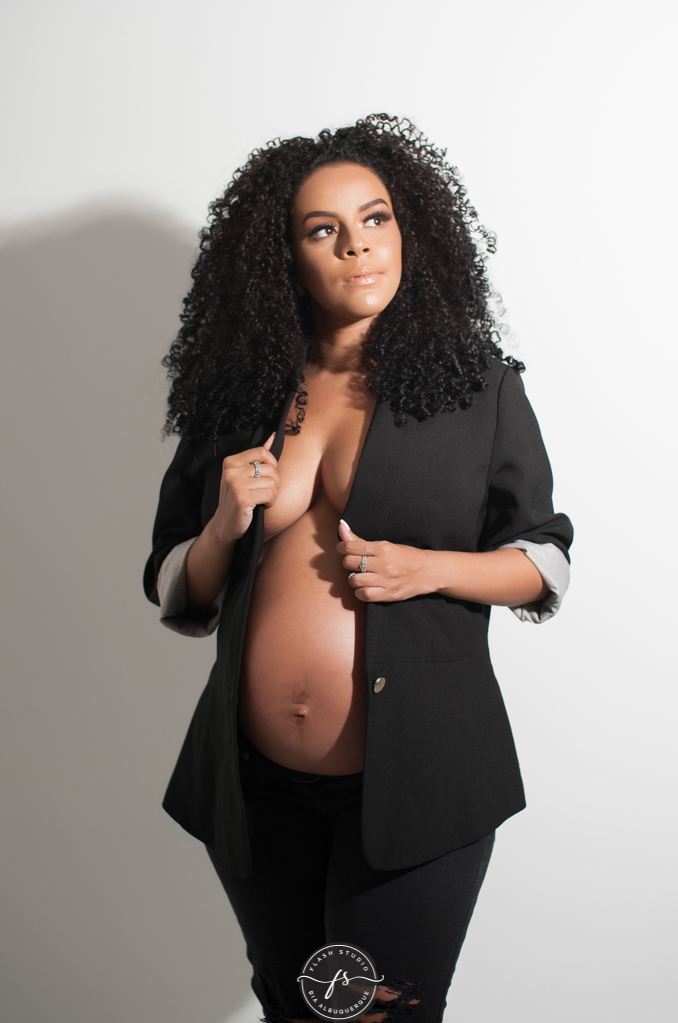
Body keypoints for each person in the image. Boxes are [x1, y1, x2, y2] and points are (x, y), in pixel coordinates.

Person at [144, 114, 573, 1023]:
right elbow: (176, 585)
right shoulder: (237, 394)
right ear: (285, 257)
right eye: (322, 229)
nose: (357, 246)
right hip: (253, 790)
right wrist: (224, 522)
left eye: (375, 218)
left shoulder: (477, 386)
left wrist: (431, 568)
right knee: (298, 1009)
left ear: (410, 229)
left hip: (421, 780)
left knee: (375, 1014)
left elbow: (544, 560)